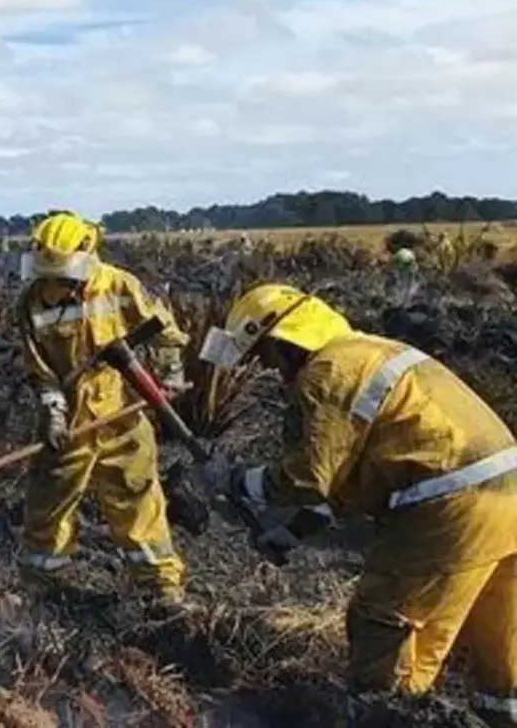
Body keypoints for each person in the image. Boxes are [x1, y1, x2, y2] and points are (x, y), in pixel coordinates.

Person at [197, 283, 516, 728]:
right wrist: (287, 535)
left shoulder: (327, 373)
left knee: (382, 627)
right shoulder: (369, 351)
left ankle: (391, 715)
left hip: (450, 508)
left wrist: (233, 480)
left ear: (284, 343)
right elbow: (346, 487)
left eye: (264, 356)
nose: (267, 369)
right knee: (494, 642)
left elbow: (307, 479)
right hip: (505, 498)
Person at [16, 211, 190, 604]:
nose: (54, 282)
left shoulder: (118, 286)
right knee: (48, 506)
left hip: (123, 417)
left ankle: (161, 589)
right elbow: (39, 370)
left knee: (138, 500)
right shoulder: (31, 303)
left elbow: (165, 332)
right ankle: (39, 588)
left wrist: (171, 374)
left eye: (62, 272)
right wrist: (54, 412)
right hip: (71, 423)